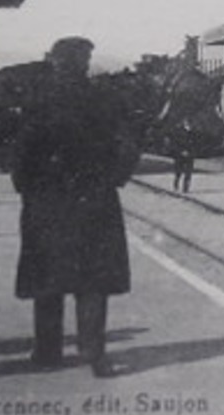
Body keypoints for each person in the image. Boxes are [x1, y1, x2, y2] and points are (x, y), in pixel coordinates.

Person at [11, 37, 139, 378]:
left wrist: (26, 187)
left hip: (47, 201)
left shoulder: (37, 99)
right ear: (84, 62)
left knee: (48, 278)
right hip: (94, 200)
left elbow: (21, 152)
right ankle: (94, 354)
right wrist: (113, 179)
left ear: (55, 61)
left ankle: (47, 351)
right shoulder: (105, 98)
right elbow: (128, 146)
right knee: (93, 280)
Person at [169, 117, 198, 193]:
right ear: (184, 123)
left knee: (188, 172)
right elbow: (176, 143)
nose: (189, 126)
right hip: (180, 155)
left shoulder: (194, 133)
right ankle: (176, 183)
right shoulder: (179, 132)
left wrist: (192, 152)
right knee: (178, 171)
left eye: (190, 124)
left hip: (190, 155)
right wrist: (181, 151)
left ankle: (186, 187)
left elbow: (196, 144)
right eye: (187, 124)